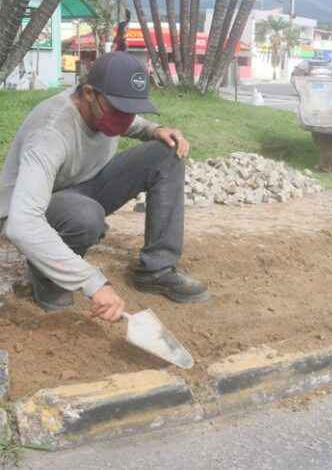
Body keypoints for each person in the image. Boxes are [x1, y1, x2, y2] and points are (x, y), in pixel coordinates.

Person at [0, 52, 208, 324]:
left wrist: (154, 129)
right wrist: (92, 282)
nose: (125, 119)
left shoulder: (105, 110)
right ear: (88, 93)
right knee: (85, 216)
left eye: (131, 109)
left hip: (82, 189)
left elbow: (128, 121)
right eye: (118, 109)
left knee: (166, 154)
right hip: (29, 208)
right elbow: (23, 222)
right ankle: (49, 279)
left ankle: (157, 270)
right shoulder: (49, 133)